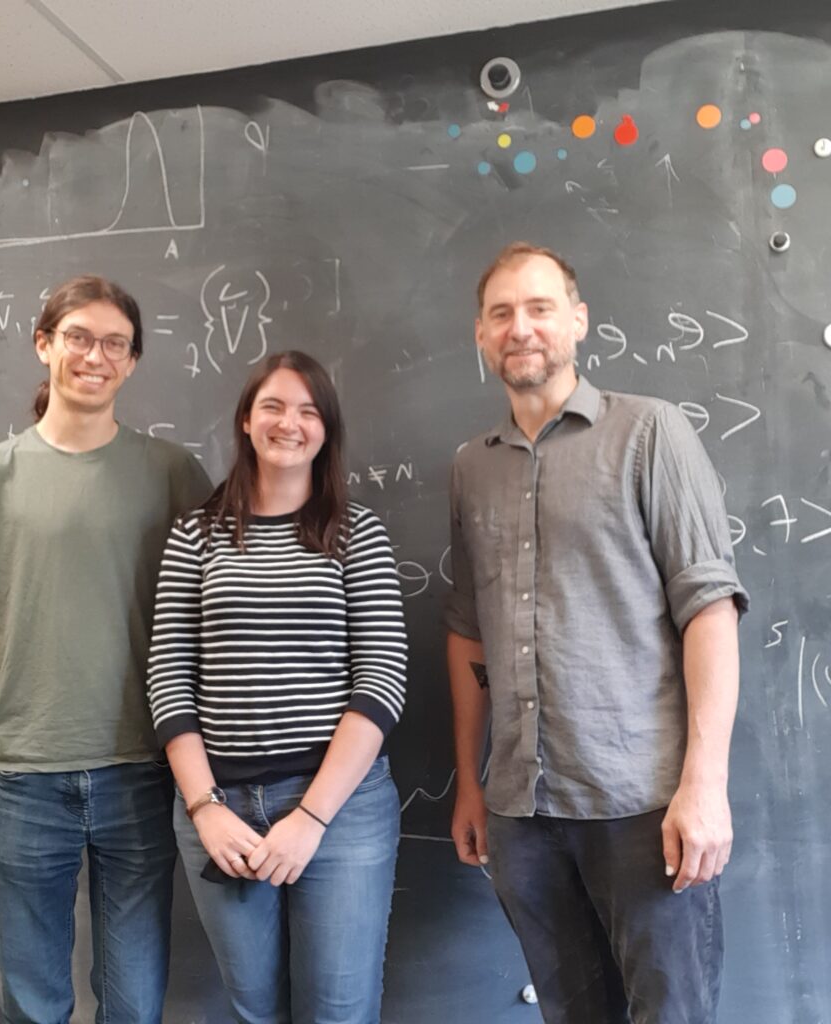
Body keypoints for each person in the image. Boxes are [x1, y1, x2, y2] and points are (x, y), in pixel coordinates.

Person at [0, 275, 212, 1024]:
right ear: (44, 345)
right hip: (29, 781)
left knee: (133, 1003)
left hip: (142, 770)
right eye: (78, 337)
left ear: (131, 363)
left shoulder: (171, 474)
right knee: (34, 1003)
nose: (95, 355)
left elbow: (216, 612)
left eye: (115, 344)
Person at [446, 242, 749, 1023]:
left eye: (541, 308)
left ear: (577, 321)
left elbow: (709, 609)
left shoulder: (651, 433)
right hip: (524, 815)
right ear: (480, 335)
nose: (522, 328)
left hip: (643, 809)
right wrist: (473, 783)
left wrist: (704, 785)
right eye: (502, 313)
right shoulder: (470, 468)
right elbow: (469, 635)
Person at [148, 350, 407, 1024]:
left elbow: (381, 682)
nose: (289, 423)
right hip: (220, 810)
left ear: (327, 432)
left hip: (340, 810)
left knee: (339, 1012)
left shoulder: (357, 534)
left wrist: (312, 818)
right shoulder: (194, 535)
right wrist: (204, 808)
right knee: (254, 1010)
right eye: (273, 405)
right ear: (244, 420)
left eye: (308, 410)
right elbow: (169, 677)